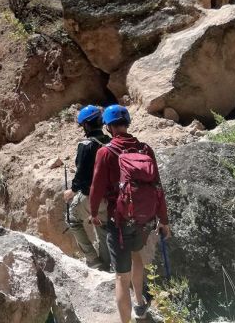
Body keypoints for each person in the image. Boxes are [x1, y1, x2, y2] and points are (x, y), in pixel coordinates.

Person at [89, 105, 171, 322]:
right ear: (128, 123)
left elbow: (96, 188)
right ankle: (140, 303)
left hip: (120, 220)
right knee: (136, 256)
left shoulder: (105, 152)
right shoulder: (145, 149)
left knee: (120, 277)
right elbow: (158, 187)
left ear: (107, 126)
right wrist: (164, 221)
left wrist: (94, 213)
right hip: (144, 220)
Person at [63, 104, 111, 270]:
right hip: (110, 196)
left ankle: (93, 259)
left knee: (71, 218)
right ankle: (106, 265)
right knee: (104, 228)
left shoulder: (86, 144)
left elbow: (82, 174)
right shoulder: (111, 142)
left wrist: (73, 190)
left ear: (86, 125)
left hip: (91, 196)